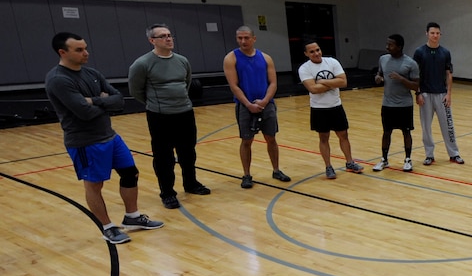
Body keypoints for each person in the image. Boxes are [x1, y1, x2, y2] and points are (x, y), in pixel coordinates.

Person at [46, 32, 163, 244]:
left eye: (85, 48)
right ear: (62, 52)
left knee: (130, 173)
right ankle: (107, 227)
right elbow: (83, 112)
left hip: (110, 136)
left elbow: (119, 100)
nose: (85, 53)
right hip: (85, 142)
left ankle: (132, 217)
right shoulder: (58, 80)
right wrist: (102, 103)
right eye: (79, 50)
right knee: (94, 185)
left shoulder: (92, 73)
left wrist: (93, 101)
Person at [128, 24, 211, 209]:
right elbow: (136, 91)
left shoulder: (182, 61)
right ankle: (167, 192)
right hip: (160, 117)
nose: (168, 38)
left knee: (188, 152)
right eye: (162, 36)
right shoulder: (142, 64)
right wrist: (157, 104)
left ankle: (191, 184)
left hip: (185, 113)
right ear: (152, 40)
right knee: (163, 157)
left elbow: (186, 83)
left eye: (169, 35)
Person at [223, 26, 291, 189]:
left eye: (246, 38)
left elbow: (273, 83)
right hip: (245, 106)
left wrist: (265, 101)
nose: (243, 41)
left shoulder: (266, 58)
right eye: (240, 38)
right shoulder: (231, 58)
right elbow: (234, 85)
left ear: (254, 39)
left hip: (266, 105)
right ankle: (246, 175)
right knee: (247, 140)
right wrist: (248, 104)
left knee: (271, 138)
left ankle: (276, 170)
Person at [298, 39, 364, 179]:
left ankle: (350, 162)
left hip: (335, 106)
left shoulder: (332, 62)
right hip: (319, 109)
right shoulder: (304, 68)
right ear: (306, 54)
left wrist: (322, 82)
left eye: (318, 50)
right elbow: (313, 89)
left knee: (343, 135)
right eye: (312, 52)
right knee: (324, 138)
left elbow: (343, 82)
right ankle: (328, 166)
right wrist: (334, 83)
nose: (316, 53)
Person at [413, 22, 464, 166]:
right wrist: (418, 93)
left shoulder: (445, 53)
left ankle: (454, 153)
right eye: (432, 33)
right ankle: (429, 155)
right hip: (425, 94)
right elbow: (415, 74)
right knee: (426, 127)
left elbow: (449, 74)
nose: (435, 36)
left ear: (440, 34)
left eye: (437, 33)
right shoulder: (419, 52)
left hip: (442, 94)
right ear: (427, 34)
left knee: (448, 125)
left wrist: (449, 94)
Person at [373, 34, 419, 173]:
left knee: (406, 132)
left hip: (404, 105)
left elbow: (416, 86)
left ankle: (407, 160)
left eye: (391, 44)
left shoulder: (411, 63)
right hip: (387, 104)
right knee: (386, 132)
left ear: (399, 47)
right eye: (387, 44)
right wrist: (378, 78)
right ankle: (384, 160)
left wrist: (401, 79)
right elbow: (379, 73)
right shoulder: (383, 59)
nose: (387, 47)